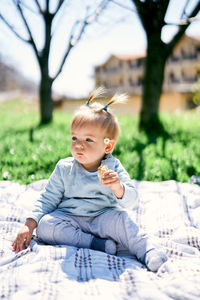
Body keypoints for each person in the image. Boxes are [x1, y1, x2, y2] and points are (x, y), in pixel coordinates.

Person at [12, 88, 167, 272]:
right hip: (71, 218)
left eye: (88, 140)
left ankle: (148, 251)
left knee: (123, 221)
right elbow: (47, 199)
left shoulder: (113, 168)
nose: (79, 145)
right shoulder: (64, 168)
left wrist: (118, 188)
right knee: (45, 226)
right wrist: (29, 225)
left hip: (103, 217)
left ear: (108, 145)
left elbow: (132, 201)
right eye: (74, 137)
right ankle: (94, 243)